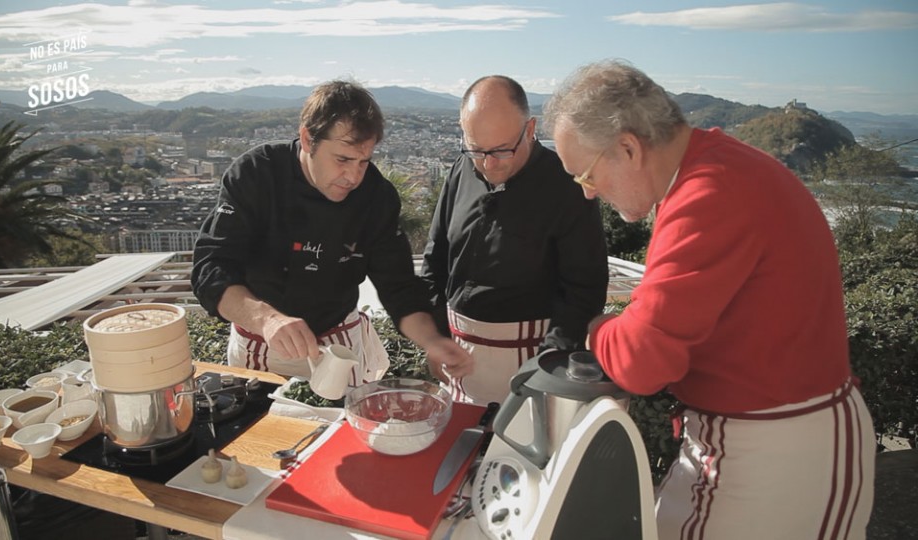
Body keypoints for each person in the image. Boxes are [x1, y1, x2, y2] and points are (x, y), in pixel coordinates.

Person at [543, 59, 875, 540]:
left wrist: (598, 331)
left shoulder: (708, 194)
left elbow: (641, 360)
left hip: (776, 451)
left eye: (585, 175)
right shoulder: (713, 171)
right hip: (759, 439)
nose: (589, 194)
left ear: (629, 148)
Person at [191, 80, 473, 388]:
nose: (353, 176)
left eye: (364, 161)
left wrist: (432, 340)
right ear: (308, 139)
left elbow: (400, 288)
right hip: (261, 345)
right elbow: (211, 268)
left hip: (340, 346)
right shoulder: (255, 175)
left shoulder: (376, 197)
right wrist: (268, 320)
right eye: (342, 159)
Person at [420, 75, 609, 405]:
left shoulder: (567, 186)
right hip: (457, 359)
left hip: (530, 361)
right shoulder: (461, 169)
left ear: (531, 128)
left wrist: (549, 365)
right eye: (477, 149)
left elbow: (585, 287)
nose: (488, 164)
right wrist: (434, 336)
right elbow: (435, 258)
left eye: (502, 150)